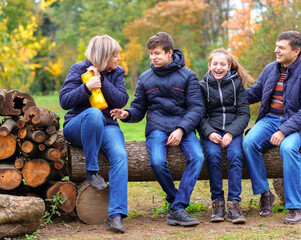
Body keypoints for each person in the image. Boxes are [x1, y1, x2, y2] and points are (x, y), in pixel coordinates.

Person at [110, 32, 204, 227]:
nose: (153, 57)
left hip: (183, 127)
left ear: (170, 52)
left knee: (198, 157)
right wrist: (127, 114)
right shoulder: (145, 78)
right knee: (157, 161)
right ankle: (175, 202)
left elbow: (196, 108)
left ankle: (178, 208)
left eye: (157, 53)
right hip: (157, 128)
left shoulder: (188, 76)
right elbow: (138, 108)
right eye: (151, 54)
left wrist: (181, 129)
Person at [243, 31, 301, 224]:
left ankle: (296, 207)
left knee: (287, 148)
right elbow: (255, 93)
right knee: (248, 143)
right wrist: (226, 98)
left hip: (297, 124)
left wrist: (283, 131)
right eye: (276, 46)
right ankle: (265, 194)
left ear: (296, 51)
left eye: (281, 47)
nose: (276, 50)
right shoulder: (271, 69)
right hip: (270, 119)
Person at [59, 35, 129, 233]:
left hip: (108, 126)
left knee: (120, 156)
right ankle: (92, 170)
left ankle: (116, 215)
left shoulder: (117, 73)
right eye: (115, 55)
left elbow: (121, 99)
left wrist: (101, 81)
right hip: (77, 125)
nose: (119, 59)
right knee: (94, 113)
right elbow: (64, 101)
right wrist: (86, 88)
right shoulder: (78, 69)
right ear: (104, 55)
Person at [197, 49, 251, 224]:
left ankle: (234, 204)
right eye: (215, 64)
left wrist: (230, 133)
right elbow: (199, 114)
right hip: (211, 131)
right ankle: (217, 203)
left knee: (235, 156)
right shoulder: (202, 85)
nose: (218, 68)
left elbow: (244, 114)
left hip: (232, 130)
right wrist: (209, 132)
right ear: (209, 65)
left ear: (229, 66)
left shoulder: (237, 85)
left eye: (222, 64)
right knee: (212, 156)